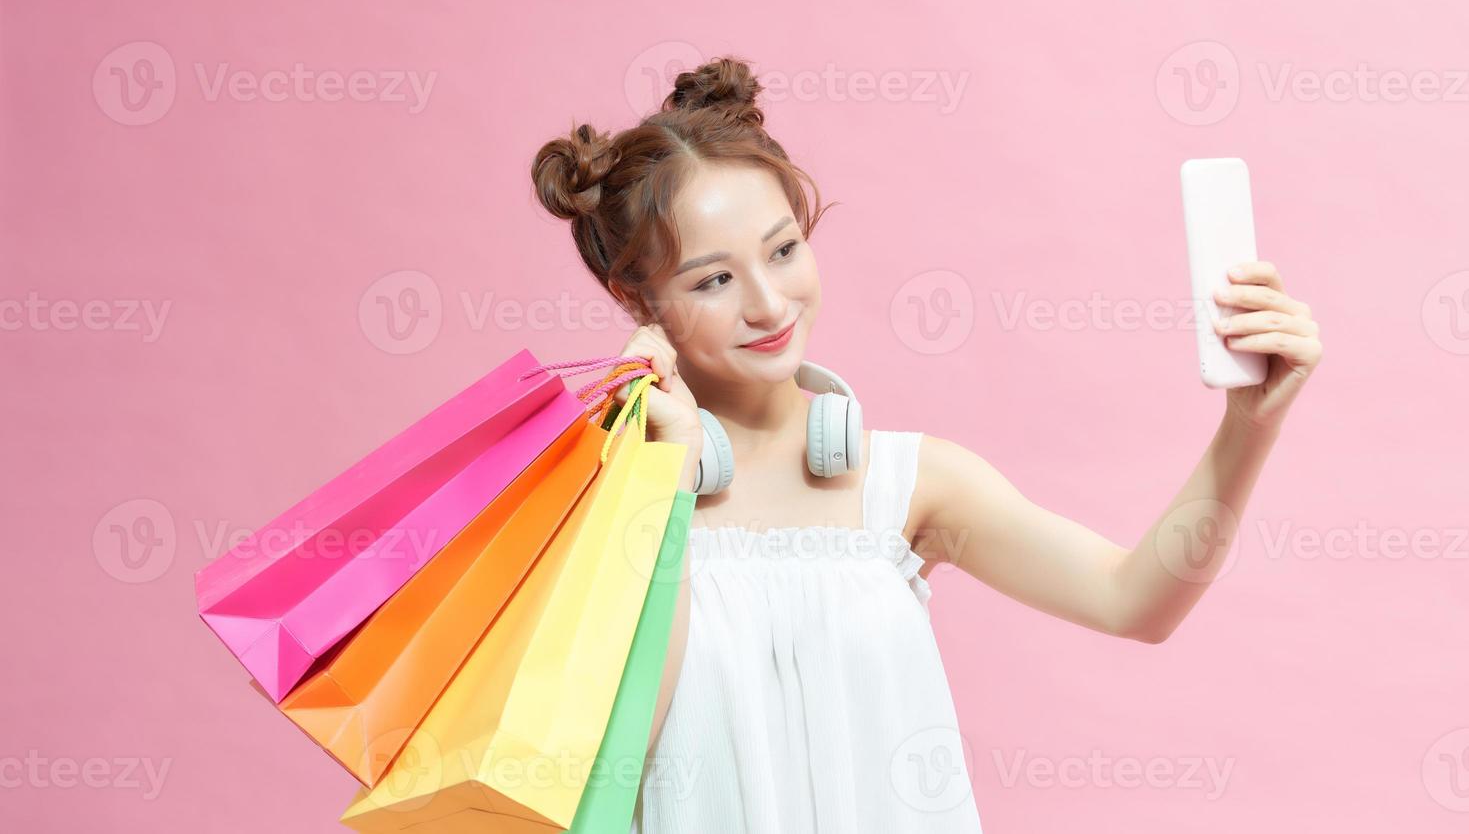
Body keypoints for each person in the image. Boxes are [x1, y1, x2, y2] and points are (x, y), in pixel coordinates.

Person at [529, 56, 1323, 833]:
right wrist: (662, 486)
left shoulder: (910, 482)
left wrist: (1248, 425)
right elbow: (609, 764)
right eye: (712, 280)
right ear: (636, 299)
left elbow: (1134, 602)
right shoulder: (597, 495)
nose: (770, 305)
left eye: (782, 250)